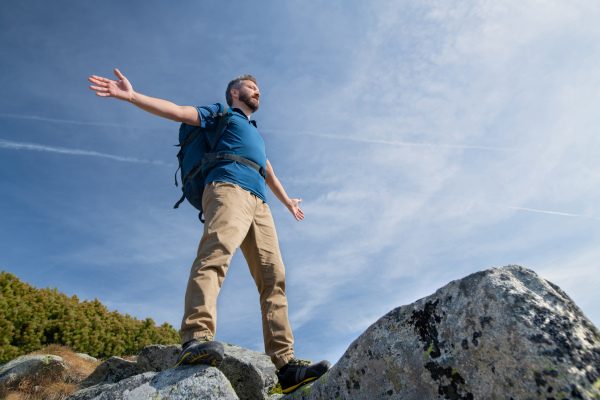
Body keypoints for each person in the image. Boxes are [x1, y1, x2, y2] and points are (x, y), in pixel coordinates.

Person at [88, 69, 330, 393]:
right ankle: (195, 339)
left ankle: (285, 366)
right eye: (251, 87)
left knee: (274, 278)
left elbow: (267, 168)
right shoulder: (221, 113)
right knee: (215, 256)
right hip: (227, 186)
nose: (258, 92)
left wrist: (287, 202)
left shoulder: (253, 131)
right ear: (234, 93)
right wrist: (132, 97)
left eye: (258, 89)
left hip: (260, 204)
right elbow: (177, 111)